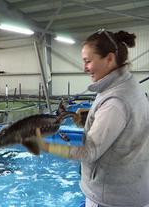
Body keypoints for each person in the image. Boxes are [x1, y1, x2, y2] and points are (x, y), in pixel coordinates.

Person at [41, 29, 149, 207]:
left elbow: (89, 152)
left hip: (112, 199)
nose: (84, 68)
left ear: (109, 59)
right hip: (134, 189)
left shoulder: (115, 102)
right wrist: (92, 119)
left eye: (88, 61)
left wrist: (45, 145)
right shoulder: (127, 85)